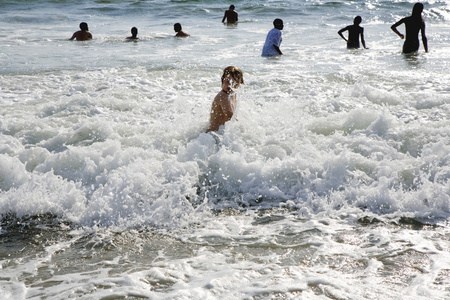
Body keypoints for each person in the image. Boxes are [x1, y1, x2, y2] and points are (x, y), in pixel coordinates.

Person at [207, 66, 244, 132]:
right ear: (222, 81)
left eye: (235, 82)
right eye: (228, 81)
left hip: (221, 134)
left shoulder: (234, 94)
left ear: (240, 83)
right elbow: (231, 118)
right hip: (213, 136)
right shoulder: (223, 96)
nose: (231, 85)